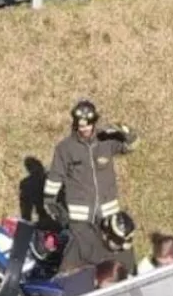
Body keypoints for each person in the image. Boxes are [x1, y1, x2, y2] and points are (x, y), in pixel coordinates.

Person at [43, 98, 137, 238]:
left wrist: (127, 134)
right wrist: (49, 202)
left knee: (109, 254)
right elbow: (56, 176)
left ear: (94, 124)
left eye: (87, 126)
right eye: (81, 127)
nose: (84, 130)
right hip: (80, 215)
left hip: (108, 212)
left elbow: (129, 147)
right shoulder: (65, 148)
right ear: (75, 124)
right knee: (81, 253)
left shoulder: (106, 141)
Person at [60, 210, 138, 275]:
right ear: (106, 233)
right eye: (117, 240)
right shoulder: (84, 240)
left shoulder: (125, 251)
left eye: (123, 242)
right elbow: (65, 276)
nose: (121, 247)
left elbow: (131, 276)